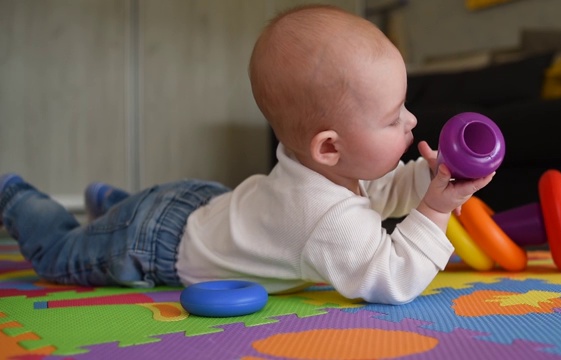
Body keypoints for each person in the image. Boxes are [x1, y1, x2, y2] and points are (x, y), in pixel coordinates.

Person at [0, 4, 494, 305]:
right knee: (59, 256)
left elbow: (379, 192)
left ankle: (116, 204)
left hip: (204, 207)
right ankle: (17, 195)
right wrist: (435, 209)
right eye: (393, 117)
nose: (411, 121)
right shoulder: (326, 219)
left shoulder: (329, 172)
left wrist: (426, 182)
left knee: (132, 216)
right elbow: (390, 278)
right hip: (156, 245)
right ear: (329, 147)